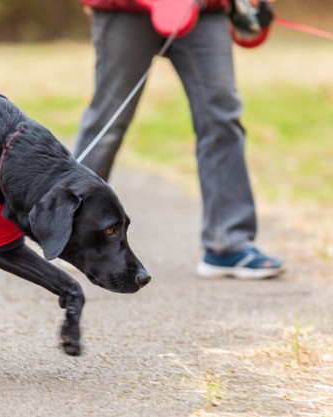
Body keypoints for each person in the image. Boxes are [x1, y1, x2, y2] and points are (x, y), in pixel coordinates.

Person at [74, 0, 284, 280]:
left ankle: (228, 244)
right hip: (125, 9)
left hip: (203, 10)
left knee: (221, 116)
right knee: (109, 118)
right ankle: (71, 232)